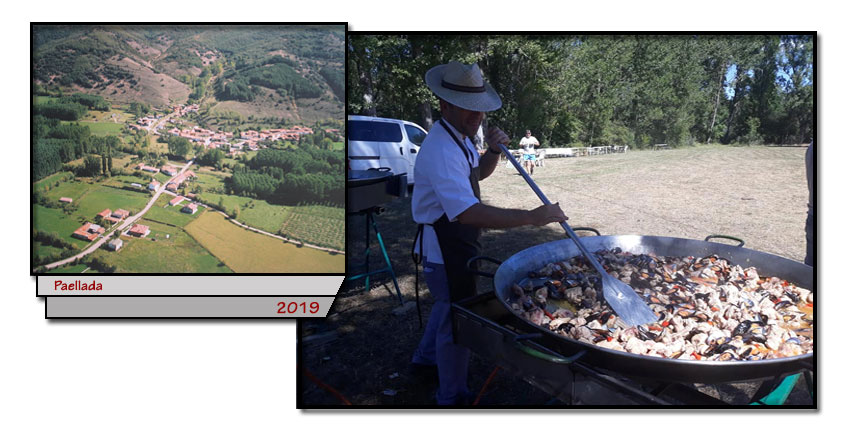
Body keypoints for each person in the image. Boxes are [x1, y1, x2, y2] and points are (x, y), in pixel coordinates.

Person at [410, 61, 568, 405]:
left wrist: (493, 152)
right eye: (468, 108)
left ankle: (423, 360)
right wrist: (530, 217)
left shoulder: (459, 137)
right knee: (457, 323)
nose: (477, 116)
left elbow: (476, 175)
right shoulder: (440, 148)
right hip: (444, 247)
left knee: (446, 306)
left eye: (480, 109)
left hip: (457, 242)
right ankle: (451, 397)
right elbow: (466, 213)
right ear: (445, 105)